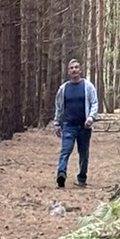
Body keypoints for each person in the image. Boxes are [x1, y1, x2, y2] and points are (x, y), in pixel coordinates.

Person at [52, 57, 98, 189]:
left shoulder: (88, 86)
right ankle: (61, 174)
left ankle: (82, 177)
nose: (74, 70)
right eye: (71, 68)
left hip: (84, 126)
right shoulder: (63, 88)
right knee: (65, 151)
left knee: (84, 153)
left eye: (76, 67)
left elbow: (94, 103)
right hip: (68, 125)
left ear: (81, 70)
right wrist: (57, 123)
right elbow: (59, 107)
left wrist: (90, 118)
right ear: (68, 71)